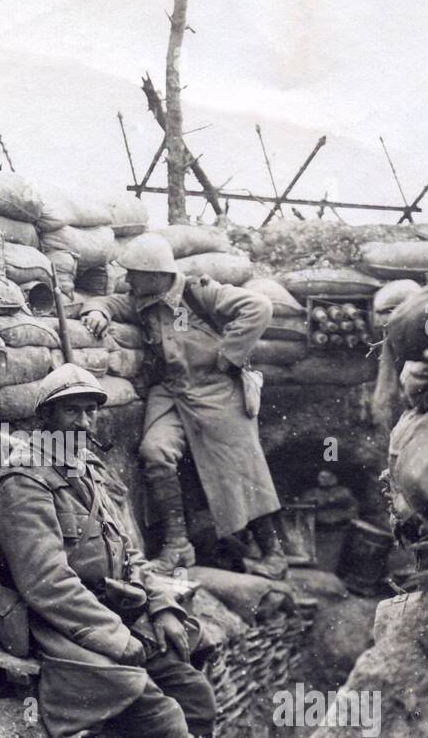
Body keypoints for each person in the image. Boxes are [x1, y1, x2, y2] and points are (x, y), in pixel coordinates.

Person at [0, 363, 288, 738]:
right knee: (162, 717)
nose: (82, 422)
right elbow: (47, 585)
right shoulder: (23, 484)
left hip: (117, 616)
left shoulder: (92, 475)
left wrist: (162, 604)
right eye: (70, 410)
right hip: (61, 633)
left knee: (195, 694)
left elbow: (129, 557)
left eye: (88, 411)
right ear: (45, 417)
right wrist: (117, 639)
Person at [80, 233, 288, 579]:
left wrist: (228, 356)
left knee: (240, 468)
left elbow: (258, 307)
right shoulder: (142, 298)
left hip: (216, 391)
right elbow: (113, 303)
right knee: (155, 451)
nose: (127, 279)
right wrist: (97, 309)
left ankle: (273, 554)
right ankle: (178, 546)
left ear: (156, 275)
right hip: (173, 392)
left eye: (134, 273)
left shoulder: (197, 293)